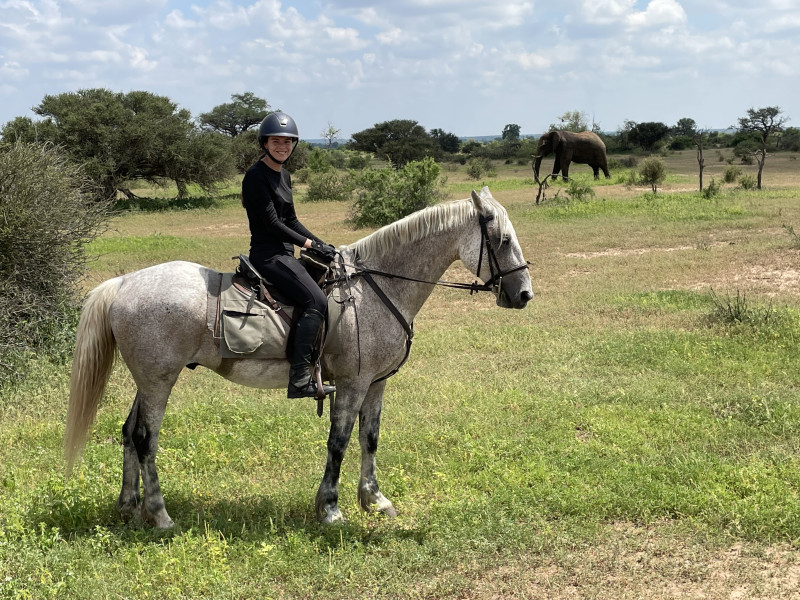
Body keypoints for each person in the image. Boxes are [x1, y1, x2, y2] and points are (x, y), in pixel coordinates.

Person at [241, 112, 336, 399]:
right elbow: (273, 224)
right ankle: (299, 379)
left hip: (285, 254)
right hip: (268, 256)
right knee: (316, 300)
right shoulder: (255, 177)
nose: (282, 146)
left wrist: (321, 244)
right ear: (265, 143)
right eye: (276, 141)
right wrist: (308, 244)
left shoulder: (284, 175)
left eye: (287, 141)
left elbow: (291, 219)